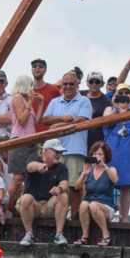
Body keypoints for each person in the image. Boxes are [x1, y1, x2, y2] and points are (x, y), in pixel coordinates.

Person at [41, 70, 92, 221]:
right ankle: (56, 216)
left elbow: (82, 120)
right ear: (61, 86)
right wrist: (63, 119)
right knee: (54, 185)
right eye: (65, 84)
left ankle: (75, 217)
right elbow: (45, 120)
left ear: (77, 85)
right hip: (55, 150)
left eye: (71, 84)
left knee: (74, 186)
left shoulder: (84, 101)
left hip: (75, 148)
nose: (68, 86)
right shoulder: (55, 101)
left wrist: (59, 125)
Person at [18, 139, 69, 246]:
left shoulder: (61, 167)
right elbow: (30, 166)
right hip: (34, 205)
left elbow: (65, 184)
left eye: (60, 152)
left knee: (63, 195)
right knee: (26, 197)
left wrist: (59, 188)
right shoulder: (33, 159)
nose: (59, 155)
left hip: (50, 205)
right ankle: (28, 233)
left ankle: (59, 234)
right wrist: (39, 166)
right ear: (45, 151)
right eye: (56, 152)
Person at [103, 88, 130, 222]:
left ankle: (124, 218)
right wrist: (116, 108)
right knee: (107, 182)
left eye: (127, 94)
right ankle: (106, 214)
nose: (123, 97)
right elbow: (106, 121)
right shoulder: (109, 110)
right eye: (120, 94)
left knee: (126, 185)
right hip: (113, 150)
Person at [73, 141, 118, 246]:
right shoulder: (89, 170)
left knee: (93, 205)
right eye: (95, 154)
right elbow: (77, 186)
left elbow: (115, 180)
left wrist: (104, 166)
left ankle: (106, 235)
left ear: (105, 156)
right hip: (89, 205)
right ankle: (84, 236)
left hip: (106, 206)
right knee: (84, 204)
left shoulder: (110, 169)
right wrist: (84, 174)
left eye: (100, 154)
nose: (97, 156)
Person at [7, 74, 41, 214]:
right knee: (18, 177)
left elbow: (36, 122)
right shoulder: (18, 98)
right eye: (31, 85)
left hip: (30, 141)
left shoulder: (28, 100)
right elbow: (21, 120)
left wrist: (40, 105)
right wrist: (30, 102)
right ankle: (5, 204)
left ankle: (19, 207)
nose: (33, 88)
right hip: (19, 140)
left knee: (29, 176)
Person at [81, 70, 111, 150]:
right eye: (91, 81)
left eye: (97, 82)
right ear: (87, 83)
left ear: (102, 84)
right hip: (78, 140)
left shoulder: (106, 101)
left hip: (95, 144)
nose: (94, 84)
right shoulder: (79, 95)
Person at [31, 58, 59, 132]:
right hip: (28, 134)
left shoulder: (54, 90)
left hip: (48, 133)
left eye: (40, 66)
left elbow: (59, 111)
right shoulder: (25, 90)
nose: (37, 68)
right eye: (34, 66)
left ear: (45, 70)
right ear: (31, 69)